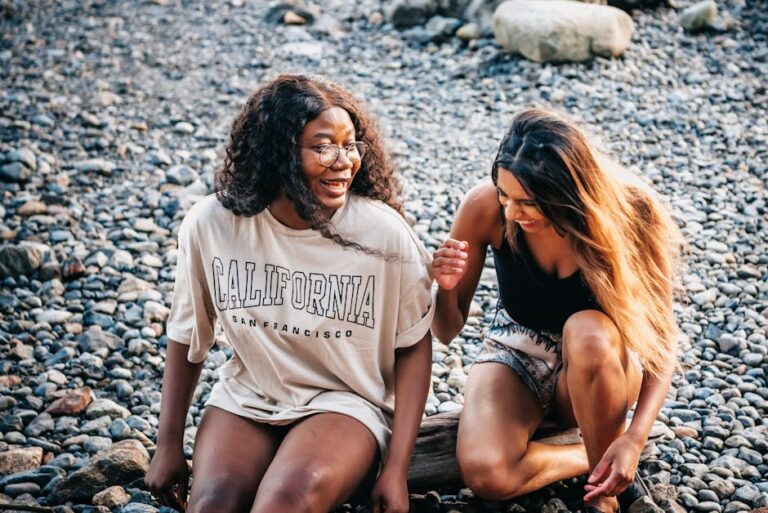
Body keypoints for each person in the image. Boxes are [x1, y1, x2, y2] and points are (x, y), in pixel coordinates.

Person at [145, 74, 435, 513]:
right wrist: (167, 443)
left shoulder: (382, 234)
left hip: (345, 404)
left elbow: (414, 347)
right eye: (323, 146)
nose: (343, 161)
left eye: (350, 144)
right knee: (213, 504)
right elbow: (187, 335)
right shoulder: (212, 224)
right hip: (248, 399)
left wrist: (395, 468)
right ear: (278, 154)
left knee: (284, 501)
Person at [429, 108, 683, 513]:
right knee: (486, 473)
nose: (512, 213)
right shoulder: (483, 207)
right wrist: (442, 291)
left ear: (568, 192)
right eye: (505, 195)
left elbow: (663, 342)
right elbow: (446, 330)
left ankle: (604, 498)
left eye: (528, 202)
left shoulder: (633, 213)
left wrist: (635, 436)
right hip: (516, 353)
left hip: (600, 363)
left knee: (587, 331)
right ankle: (595, 456)